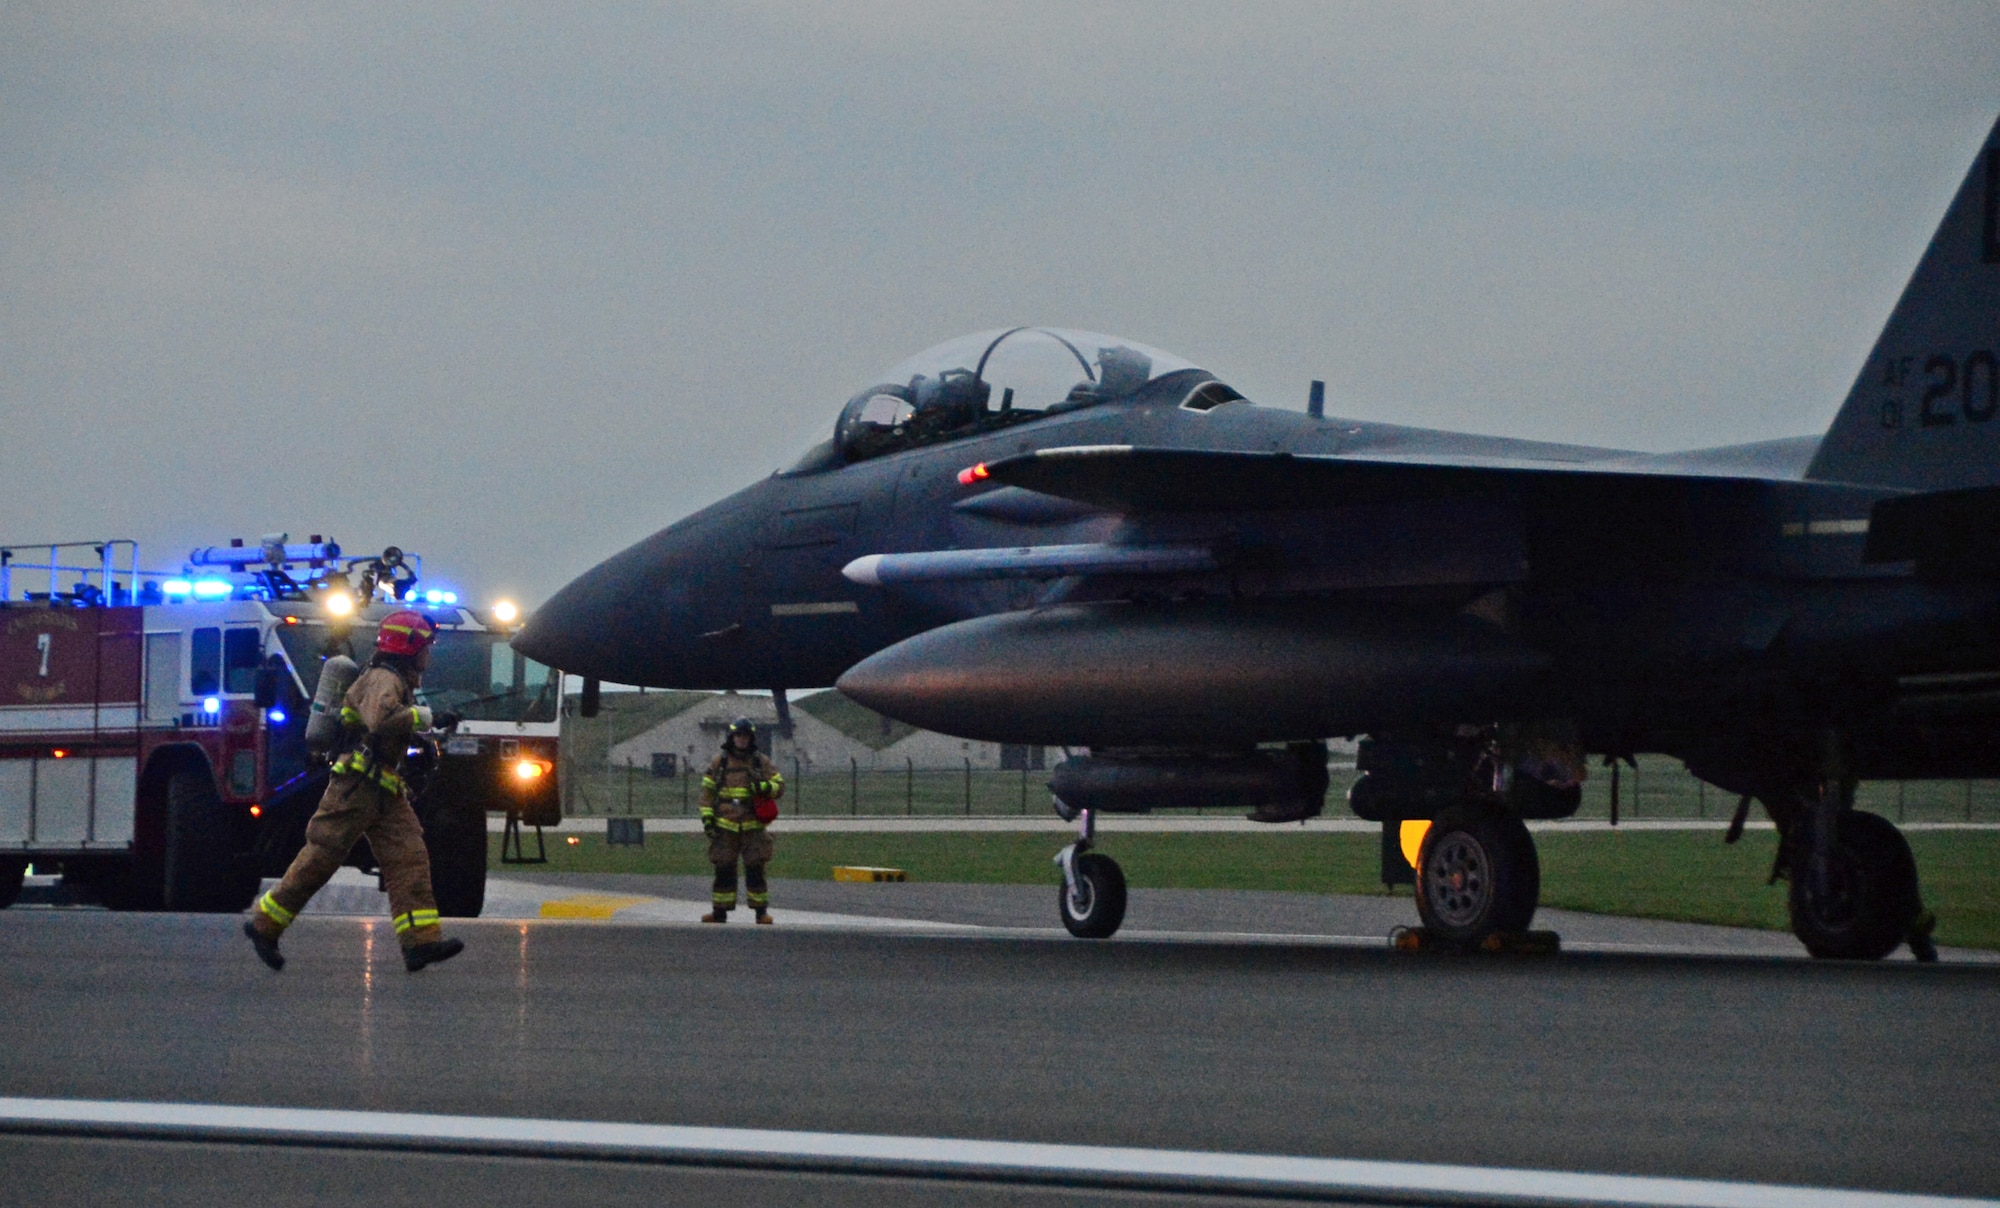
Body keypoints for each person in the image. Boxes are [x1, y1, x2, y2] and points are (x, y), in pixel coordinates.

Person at [244, 609, 465, 972]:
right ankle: (265, 924)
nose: (430, 654)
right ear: (409, 648)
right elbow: (383, 719)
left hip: (384, 790)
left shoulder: (396, 678)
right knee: (322, 857)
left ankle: (420, 944)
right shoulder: (382, 678)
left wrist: (430, 722)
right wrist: (425, 717)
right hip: (355, 786)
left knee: (409, 858)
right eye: (426, 646)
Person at [700, 717, 784, 923]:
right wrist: (708, 820)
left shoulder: (761, 761)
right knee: (723, 868)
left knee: (756, 868)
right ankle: (719, 911)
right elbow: (707, 793)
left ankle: (761, 912)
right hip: (725, 826)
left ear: (751, 738)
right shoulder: (719, 762)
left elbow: (779, 786)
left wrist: (763, 788)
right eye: (738, 735)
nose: (741, 739)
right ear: (732, 737)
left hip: (752, 826)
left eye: (745, 736)